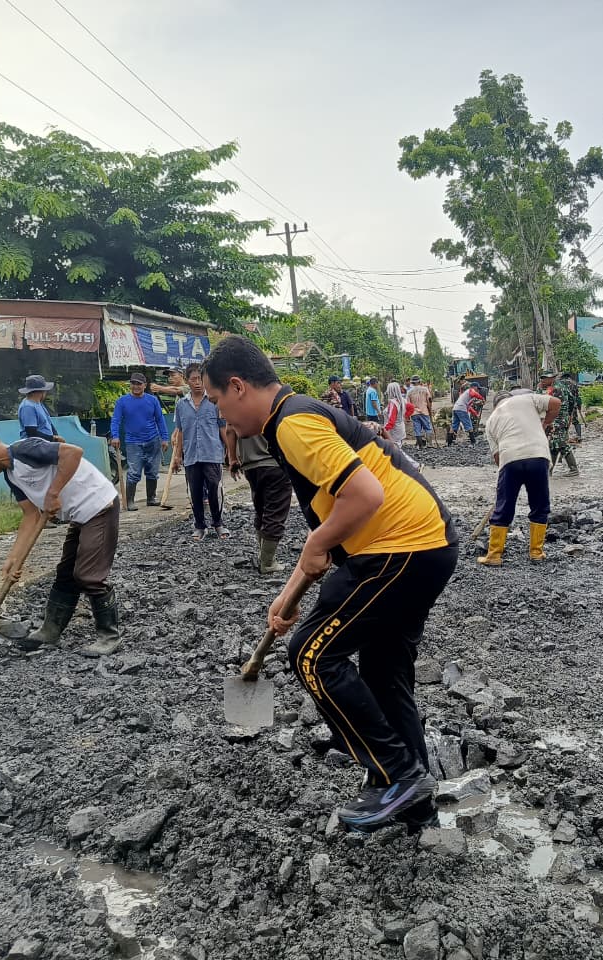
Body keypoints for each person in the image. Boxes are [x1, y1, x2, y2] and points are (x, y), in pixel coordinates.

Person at [203, 336, 457, 833]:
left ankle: (398, 775)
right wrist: (289, 591)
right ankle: (415, 805)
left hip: (400, 547)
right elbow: (332, 516)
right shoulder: (295, 418)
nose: (222, 418)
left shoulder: (291, 423)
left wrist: (316, 547)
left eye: (217, 403)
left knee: (313, 656)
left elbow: (365, 494)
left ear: (237, 387)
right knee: (385, 675)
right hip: (423, 544)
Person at [0, 427, 121, 656]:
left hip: (99, 506)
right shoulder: (11, 474)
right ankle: (50, 631)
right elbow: (30, 516)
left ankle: (109, 635)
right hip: (79, 515)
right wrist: (13, 559)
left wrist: (53, 493)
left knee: (87, 576)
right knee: (65, 574)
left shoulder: (25, 449)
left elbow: (73, 452)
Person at [479, 391, 561, 566]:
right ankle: (536, 553)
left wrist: (507, 482)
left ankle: (494, 555)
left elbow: (497, 458)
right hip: (538, 456)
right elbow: (556, 403)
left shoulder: (491, 420)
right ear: (510, 397)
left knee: (504, 506)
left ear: (495, 405)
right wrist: (545, 424)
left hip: (510, 459)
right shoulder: (527, 399)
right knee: (540, 505)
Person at [224, 425, 294, 573]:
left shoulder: (233, 403)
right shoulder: (270, 402)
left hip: (250, 466)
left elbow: (230, 430)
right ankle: (267, 563)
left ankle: (264, 557)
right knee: (275, 511)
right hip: (274, 463)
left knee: (261, 509)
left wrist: (232, 459)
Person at [172, 364, 228, 541]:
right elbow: (180, 432)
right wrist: (177, 456)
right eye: (193, 379)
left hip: (212, 453)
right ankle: (199, 526)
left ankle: (218, 524)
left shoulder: (214, 402)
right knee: (195, 492)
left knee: (214, 489)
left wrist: (232, 453)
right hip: (191, 455)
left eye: (200, 379)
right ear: (187, 381)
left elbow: (222, 428)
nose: (197, 383)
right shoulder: (181, 405)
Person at [110, 373, 170, 510]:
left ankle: (151, 498)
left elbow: (160, 420)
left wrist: (165, 438)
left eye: (139, 384)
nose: (136, 386)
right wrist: (115, 436)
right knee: (134, 472)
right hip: (133, 442)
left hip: (152, 440)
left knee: (153, 471)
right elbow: (116, 420)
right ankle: (130, 501)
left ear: (145, 385)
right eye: (133, 383)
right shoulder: (122, 401)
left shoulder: (152, 400)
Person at [537, 369, 579, 477]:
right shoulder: (557, 387)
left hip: (558, 419)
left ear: (552, 378)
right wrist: (569, 415)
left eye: (545, 378)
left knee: (561, 444)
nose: (543, 380)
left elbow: (544, 402)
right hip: (559, 418)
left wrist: (566, 416)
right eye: (542, 378)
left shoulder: (556, 389)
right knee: (553, 445)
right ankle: (548, 470)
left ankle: (573, 469)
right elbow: (572, 400)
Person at [17, 374, 64, 442]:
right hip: (33, 444)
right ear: (41, 391)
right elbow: (31, 433)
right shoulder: (28, 407)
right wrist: (53, 438)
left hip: (45, 443)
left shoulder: (39, 403)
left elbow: (49, 423)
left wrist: (56, 438)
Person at [407, 376, 434, 447]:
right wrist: (430, 408)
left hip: (414, 413)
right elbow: (429, 399)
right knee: (427, 428)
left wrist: (408, 415)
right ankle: (429, 444)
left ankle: (420, 445)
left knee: (417, 429)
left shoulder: (409, 391)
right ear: (419, 382)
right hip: (424, 411)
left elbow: (408, 404)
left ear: (412, 383)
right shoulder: (425, 389)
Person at [382, 381, 407, 445]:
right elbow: (411, 408)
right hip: (400, 427)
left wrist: (383, 431)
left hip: (393, 431)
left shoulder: (393, 403)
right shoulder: (402, 400)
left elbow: (391, 421)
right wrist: (403, 417)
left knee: (395, 450)